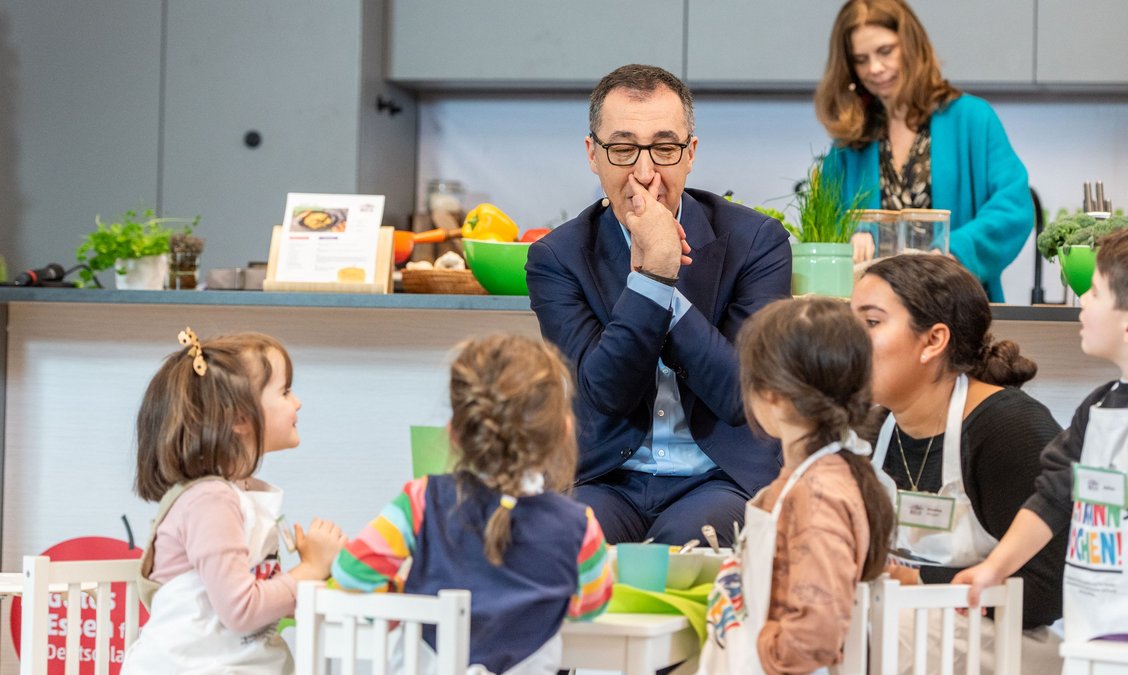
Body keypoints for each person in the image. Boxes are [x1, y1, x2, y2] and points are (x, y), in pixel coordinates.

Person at [525, 63, 793, 547]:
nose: (645, 173)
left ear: (690, 154)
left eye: (665, 148)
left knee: (685, 547)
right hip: (605, 477)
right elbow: (603, 392)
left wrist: (662, 281)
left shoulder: (756, 242)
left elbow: (743, 395)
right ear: (593, 154)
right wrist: (653, 278)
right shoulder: (558, 257)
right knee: (562, 539)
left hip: (718, 478)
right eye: (624, 149)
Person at [954, 226, 1128, 643]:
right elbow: (1053, 496)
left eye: (1096, 292)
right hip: (1094, 627)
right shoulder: (1099, 404)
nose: (1082, 300)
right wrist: (994, 568)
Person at [332, 334, 614, 675]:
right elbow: (589, 608)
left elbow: (351, 573)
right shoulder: (580, 527)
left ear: (455, 433)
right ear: (563, 432)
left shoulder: (422, 500)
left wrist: (402, 603)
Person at [849, 254, 1066, 671]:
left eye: (871, 323)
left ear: (933, 340)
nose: (849, 341)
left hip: (1005, 646)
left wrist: (918, 582)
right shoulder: (874, 429)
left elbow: (1047, 591)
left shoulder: (1009, 428)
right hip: (905, 630)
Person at [126, 329, 346, 674]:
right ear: (240, 418)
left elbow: (252, 599)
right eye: (285, 391)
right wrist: (309, 570)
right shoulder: (210, 502)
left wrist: (311, 577)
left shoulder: (235, 494)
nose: (297, 402)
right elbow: (241, 609)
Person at [700, 296, 893, 674]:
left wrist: (755, 644)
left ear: (772, 394)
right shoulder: (815, 476)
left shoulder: (817, 492)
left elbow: (813, 634)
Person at [816, 0, 1033, 302]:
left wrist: (955, 249)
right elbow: (824, 223)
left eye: (885, 51)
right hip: (872, 316)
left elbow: (1014, 207)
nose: (875, 68)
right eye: (861, 59)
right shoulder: (848, 141)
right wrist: (847, 239)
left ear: (911, 44)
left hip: (956, 307)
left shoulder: (972, 118)